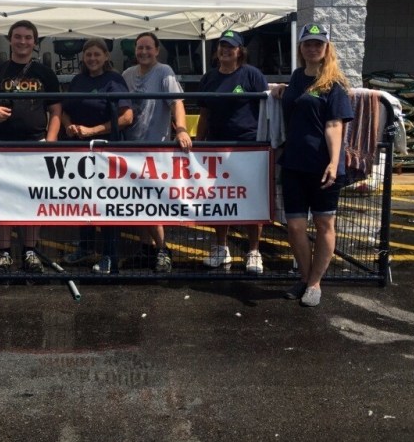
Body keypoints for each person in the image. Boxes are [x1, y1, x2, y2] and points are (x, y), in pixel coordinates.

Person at [271, 23, 354, 307]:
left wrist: (333, 162)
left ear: (326, 48)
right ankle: (306, 279)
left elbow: (334, 125)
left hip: (322, 166)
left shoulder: (334, 84)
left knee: (323, 223)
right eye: (308, 43)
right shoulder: (296, 77)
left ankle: (315, 283)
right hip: (294, 163)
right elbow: (295, 103)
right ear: (301, 48)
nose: (313, 48)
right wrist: (280, 89)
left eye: (318, 44)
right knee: (295, 226)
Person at [0, 20, 61, 273]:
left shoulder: (45, 73)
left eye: (27, 37)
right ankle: (4, 252)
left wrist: (50, 142)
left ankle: (30, 251)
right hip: (1, 143)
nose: (22, 41)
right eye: (18, 36)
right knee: (1, 198)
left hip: (35, 144)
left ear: (34, 42)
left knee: (33, 198)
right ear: (10, 39)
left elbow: (56, 111)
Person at [196, 30, 268, 274]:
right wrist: (199, 142)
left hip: (248, 148)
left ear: (240, 51)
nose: (225, 50)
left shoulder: (252, 75)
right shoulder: (209, 78)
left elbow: (266, 109)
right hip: (215, 147)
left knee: (251, 199)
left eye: (231, 47)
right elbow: (204, 113)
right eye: (222, 46)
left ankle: (254, 251)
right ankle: (221, 248)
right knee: (219, 199)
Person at [60, 37, 134, 274]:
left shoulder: (114, 80)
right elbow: (64, 111)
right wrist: (69, 126)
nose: (92, 58)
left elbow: (127, 117)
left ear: (106, 57)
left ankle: (110, 255)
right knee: (83, 200)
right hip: (81, 152)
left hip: (107, 151)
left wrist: (93, 131)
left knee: (106, 203)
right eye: (88, 54)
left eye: (97, 54)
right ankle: (86, 247)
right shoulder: (77, 80)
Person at [122, 32, 193, 273]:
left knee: (151, 201)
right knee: (137, 202)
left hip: (155, 150)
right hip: (130, 147)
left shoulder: (164, 72)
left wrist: (181, 129)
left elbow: (177, 102)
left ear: (156, 50)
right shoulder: (127, 74)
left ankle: (163, 249)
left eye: (148, 48)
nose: (143, 52)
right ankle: (146, 248)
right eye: (139, 48)